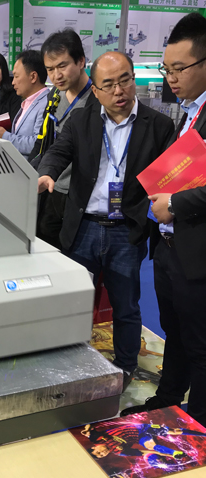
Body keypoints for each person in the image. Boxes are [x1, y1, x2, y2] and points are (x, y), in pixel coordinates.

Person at [36, 52, 174, 389]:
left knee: (126, 306)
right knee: (75, 303)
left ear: (134, 80)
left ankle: (125, 367)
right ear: (95, 90)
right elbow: (59, 151)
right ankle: (72, 363)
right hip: (82, 227)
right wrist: (47, 172)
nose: (119, 91)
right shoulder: (81, 120)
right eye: (108, 84)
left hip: (126, 231)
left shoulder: (158, 125)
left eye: (125, 80)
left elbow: (168, 177)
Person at [120, 13, 206, 427]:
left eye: (179, 69)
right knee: (174, 330)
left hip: (198, 251)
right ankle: (169, 401)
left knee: (200, 343)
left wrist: (177, 203)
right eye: (166, 69)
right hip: (171, 247)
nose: (171, 79)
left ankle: (199, 426)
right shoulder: (188, 112)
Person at [29, 28, 96, 249]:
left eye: (62, 66)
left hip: (79, 195)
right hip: (51, 187)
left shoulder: (97, 100)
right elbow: (45, 142)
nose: (56, 75)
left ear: (81, 61)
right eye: (50, 69)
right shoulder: (54, 96)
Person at [0, 50, 48, 159]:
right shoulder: (27, 102)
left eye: (16, 76)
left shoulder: (45, 104)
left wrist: (5, 136)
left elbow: (39, 144)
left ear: (33, 77)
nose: (13, 82)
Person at [82, 422, 206, 460]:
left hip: (140, 428)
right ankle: (175, 452)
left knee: (173, 431)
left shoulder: (95, 438)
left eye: (98, 452)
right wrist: (169, 455)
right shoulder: (119, 452)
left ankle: (203, 433)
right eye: (101, 456)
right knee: (151, 446)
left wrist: (87, 428)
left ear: (94, 447)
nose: (102, 453)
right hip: (141, 438)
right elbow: (144, 452)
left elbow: (89, 425)